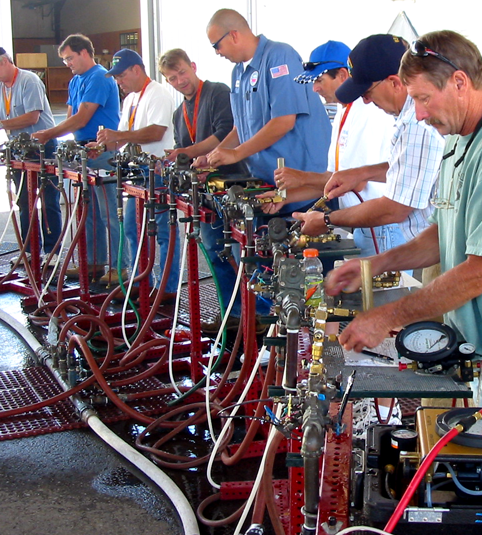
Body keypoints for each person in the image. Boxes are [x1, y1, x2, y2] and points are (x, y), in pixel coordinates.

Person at [325, 30, 482, 426]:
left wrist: (387, 317)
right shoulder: (459, 139)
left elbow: (481, 273)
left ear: (459, 82)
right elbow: (442, 235)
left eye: (423, 98)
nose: (419, 114)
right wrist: (376, 265)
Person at [292, 34, 444, 246]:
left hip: (427, 241)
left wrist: (327, 220)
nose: (366, 100)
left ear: (394, 83)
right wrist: (362, 172)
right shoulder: (406, 118)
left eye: (368, 92)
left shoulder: (415, 122)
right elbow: (408, 168)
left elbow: (396, 208)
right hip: (425, 241)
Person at [263, 40, 405, 257]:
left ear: (342, 75)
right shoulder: (341, 112)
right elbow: (335, 181)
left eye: (319, 80)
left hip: (382, 229)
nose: (315, 88)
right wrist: (284, 197)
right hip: (364, 226)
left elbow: (356, 181)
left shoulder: (371, 112)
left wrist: (302, 178)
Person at [158, 47, 261, 330]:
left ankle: (261, 313)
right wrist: (185, 161)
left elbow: (225, 133)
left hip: (234, 186)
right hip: (203, 195)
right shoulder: (180, 113)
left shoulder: (217, 92)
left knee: (245, 253)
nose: (180, 80)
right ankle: (232, 313)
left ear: (192, 66)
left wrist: (188, 152)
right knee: (216, 252)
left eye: (182, 72)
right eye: (172, 78)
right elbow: (186, 155)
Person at [203, 8, 331, 212]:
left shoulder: (280, 57)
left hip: (305, 189)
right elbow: (240, 129)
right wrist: (213, 158)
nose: (217, 52)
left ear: (234, 35)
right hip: (269, 188)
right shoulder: (238, 72)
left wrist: (236, 154)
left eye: (216, 46)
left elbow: (284, 121)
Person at [33, 34, 121, 284]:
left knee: (110, 214)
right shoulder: (75, 82)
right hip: (83, 152)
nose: (67, 63)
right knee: (88, 212)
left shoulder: (100, 77)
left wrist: (48, 134)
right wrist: (63, 141)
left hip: (103, 152)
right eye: (64, 59)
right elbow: (71, 118)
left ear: (84, 53)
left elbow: (82, 118)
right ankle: (94, 262)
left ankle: (120, 266)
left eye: (70, 57)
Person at [99, 49, 180, 298]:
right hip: (140, 173)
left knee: (165, 232)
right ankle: (141, 282)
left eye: (121, 76)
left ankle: (168, 289)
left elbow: (156, 132)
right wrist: (101, 145)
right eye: (116, 77)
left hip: (159, 170)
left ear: (137, 69)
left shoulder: (158, 94)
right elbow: (121, 138)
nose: (118, 82)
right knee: (134, 228)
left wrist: (119, 137)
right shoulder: (131, 100)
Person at [0, 47, 62, 265]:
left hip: (43, 147)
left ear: (5, 61)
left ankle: (53, 252)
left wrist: (0, 124)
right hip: (18, 148)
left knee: (48, 200)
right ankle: (30, 251)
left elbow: (33, 117)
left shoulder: (29, 80)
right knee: (24, 201)